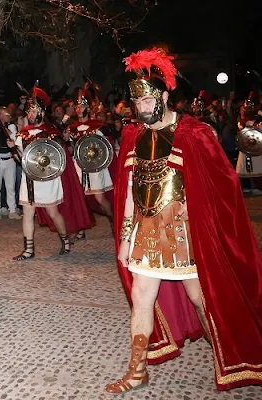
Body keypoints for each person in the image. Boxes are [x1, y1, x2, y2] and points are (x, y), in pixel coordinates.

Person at [107, 47, 262, 393]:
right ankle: (137, 370)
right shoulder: (133, 136)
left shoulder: (194, 133)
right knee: (142, 297)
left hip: (185, 234)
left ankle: (229, 355)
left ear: (164, 96)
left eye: (148, 102)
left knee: (202, 300)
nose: (142, 109)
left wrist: (206, 225)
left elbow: (222, 187)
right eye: (137, 104)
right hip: (147, 232)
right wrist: (126, 237)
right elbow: (130, 191)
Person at [14, 88, 92, 259]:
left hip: (47, 178)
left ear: (41, 112)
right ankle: (28, 250)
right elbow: (21, 158)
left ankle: (64, 240)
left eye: (34, 110)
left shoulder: (51, 133)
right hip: (29, 178)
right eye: (29, 111)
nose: (31, 114)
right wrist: (14, 148)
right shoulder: (23, 133)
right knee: (28, 212)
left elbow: (58, 157)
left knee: (52, 212)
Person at [65, 94, 114, 239]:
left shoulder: (98, 127)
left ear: (87, 108)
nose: (79, 109)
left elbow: (106, 147)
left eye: (81, 106)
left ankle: (112, 220)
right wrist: (67, 141)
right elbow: (71, 151)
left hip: (95, 165)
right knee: (80, 197)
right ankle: (81, 228)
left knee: (99, 197)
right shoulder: (72, 128)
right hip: (79, 165)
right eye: (77, 107)